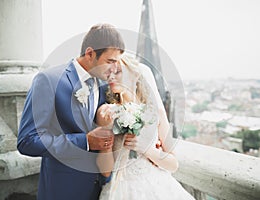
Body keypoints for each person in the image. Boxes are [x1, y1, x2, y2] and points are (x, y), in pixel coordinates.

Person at [17, 24, 125, 200]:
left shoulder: (105, 86)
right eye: (110, 61)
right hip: (63, 190)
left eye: (117, 62)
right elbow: (27, 141)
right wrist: (85, 141)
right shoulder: (49, 80)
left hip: (102, 190)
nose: (114, 69)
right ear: (90, 54)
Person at [96, 55, 196, 200]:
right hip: (121, 190)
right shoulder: (106, 112)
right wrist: (105, 137)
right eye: (108, 73)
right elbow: (105, 171)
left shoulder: (157, 114)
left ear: (135, 75)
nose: (111, 77)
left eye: (117, 72)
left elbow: (173, 165)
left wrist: (147, 149)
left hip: (156, 187)